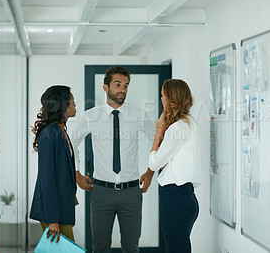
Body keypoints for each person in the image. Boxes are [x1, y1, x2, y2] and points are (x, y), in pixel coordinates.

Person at [72, 66, 155, 253]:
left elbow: (157, 142)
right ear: (105, 87)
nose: (122, 90)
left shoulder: (139, 115)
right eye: (117, 85)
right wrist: (77, 174)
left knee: (131, 248)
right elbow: (71, 143)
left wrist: (150, 172)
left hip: (132, 192)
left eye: (126, 85)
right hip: (101, 192)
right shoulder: (91, 116)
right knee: (100, 248)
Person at [147, 79, 201, 253]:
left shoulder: (176, 129)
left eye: (162, 95)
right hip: (186, 197)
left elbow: (154, 163)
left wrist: (158, 132)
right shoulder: (191, 124)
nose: (161, 98)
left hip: (175, 199)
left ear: (169, 99)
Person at [30, 85, 77, 243]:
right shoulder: (50, 133)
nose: (75, 105)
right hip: (53, 211)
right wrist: (52, 219)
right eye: (72, 102)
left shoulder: (61, 130)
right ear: (61, 105)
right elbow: (47, 178)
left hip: (62, 206)